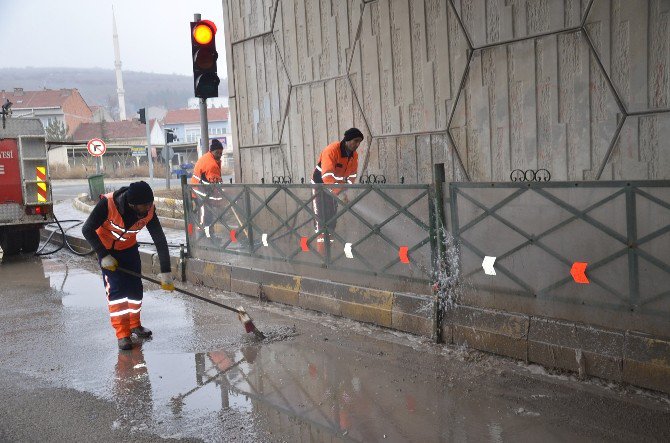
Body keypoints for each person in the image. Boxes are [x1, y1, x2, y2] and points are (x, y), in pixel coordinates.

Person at [82, 181, 175, 350]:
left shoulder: (148, 210)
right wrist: (103, 255)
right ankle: (123, 334)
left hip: (129, 250)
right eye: (145, 205)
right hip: (108, 253)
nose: (149, 208)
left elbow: (159, 239)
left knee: (135, 291)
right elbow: (87, 229)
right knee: (117, 292)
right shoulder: (108, 204)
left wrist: (166, 271)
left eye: (150, 203)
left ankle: (135, 325)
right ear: (132, 204)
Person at [311, 128, 364, 248]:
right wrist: (338, 193)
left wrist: (344, 191)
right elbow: (327, 175)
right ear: (347, 139)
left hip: (336, 189)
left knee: (332, 219)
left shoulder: (354, 156)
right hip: (319, 186)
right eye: (355, 141)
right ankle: (322, 254)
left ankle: (329, 250)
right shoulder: (332, 150)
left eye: (359, 142)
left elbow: (352, 176)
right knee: (321, 219)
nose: (357, 144)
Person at [191, 139, 224, 239]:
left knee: (206, 214)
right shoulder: (211, 164)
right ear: (212, 151)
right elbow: (215, 183)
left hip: (199, 191)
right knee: (205, 215)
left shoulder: (208, 157)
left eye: (220, 153)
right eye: (217, 152)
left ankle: (208, 234)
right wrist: (222, 196)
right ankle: (204, 236)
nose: (219, 155)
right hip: (201, 193)